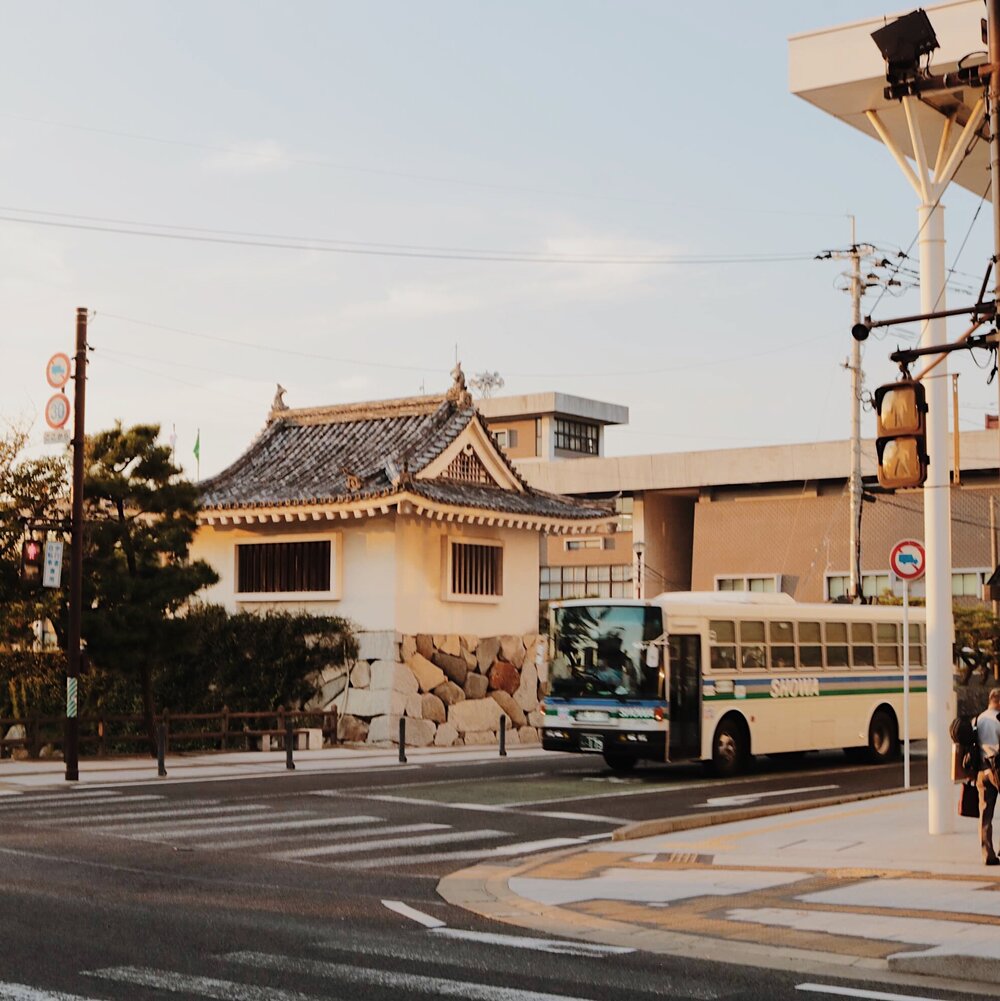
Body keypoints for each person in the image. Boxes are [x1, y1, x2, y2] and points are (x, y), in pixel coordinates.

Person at [976, 687, 1000, 866]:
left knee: (985, 814)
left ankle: (987, 853)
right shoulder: (998, 720)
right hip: (998, 771)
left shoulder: (979, 718)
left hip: (982, 772)